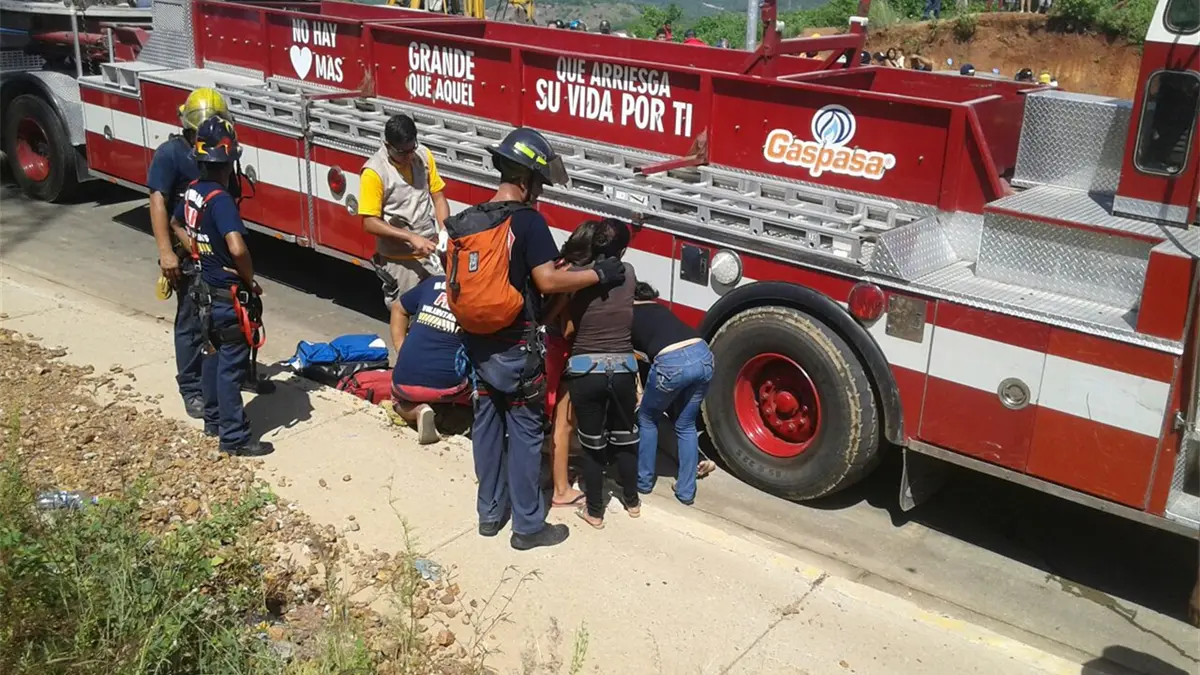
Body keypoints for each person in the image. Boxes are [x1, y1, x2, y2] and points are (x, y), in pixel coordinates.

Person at [443, 127, 626, 550]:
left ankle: (490, 515)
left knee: (487, 429)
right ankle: (527, 527)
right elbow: (546, 280)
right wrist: (599, 274)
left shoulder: (470, 219)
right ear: (526, 180)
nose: (540, 192)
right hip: (515, 348)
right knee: (526, 434)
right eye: (539, 183)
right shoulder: (527, 221)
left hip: (478, 344)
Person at [148, 88, 273, 417]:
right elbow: (159, 203)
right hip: (191, 257)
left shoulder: (218, 153)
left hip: (219, 258)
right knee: (193, 324)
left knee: (229, 324)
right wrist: (167, 252)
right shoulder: (171, 155)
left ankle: (234, 377)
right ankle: (192, 389)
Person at [172, 116, 272, 457]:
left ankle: (213, 420)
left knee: (212, 355)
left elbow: (176, 223)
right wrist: (248, 279)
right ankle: (234, 437)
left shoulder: (192, 192)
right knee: (230, 365)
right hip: (227, 296)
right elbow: (238, 248)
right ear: (229, 162)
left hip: (204, 290)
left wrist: (199, 252)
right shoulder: (221, 200)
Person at [562, 219, 639, 529]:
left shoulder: (576, 275)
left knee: (593, 446)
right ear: (623, 250)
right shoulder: (629, 272)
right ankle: (632, 501)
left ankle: (595, 511)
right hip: (623, 367)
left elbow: (566, 320)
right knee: (625, 438)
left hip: (586, 369)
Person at [359, 113, 450, 355]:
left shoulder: (423, 156)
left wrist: (443, 231)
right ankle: (406, 363)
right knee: (406, 318)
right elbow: (369, 222)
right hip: (399, 263)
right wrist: (410, 237)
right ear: (388, 145)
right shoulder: (374, 172)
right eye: (402, 152)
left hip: (430, 257)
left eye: (412, 148)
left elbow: (439, 197)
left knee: (436, 318)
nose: (409, 156)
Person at [632, 282, 714, 505]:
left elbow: (630, 358)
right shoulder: (660, 309)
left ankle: (643, 481)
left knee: (647, 418)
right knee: (686, 425)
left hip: (671, 362)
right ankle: (686, 491)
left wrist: (639, 392)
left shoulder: (627, 314)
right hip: (703, 354)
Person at [542, 222, 600, 509]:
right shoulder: (573, 277)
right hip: (559, 351)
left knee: (547, 417)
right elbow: (566, 328)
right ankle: (561, 489)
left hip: (544, 347)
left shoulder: (558, 265)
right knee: (563, 423)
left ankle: (551, 471)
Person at [390, 272, 469, 445]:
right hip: (449, 387)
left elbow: (398, 308)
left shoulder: (434, 282)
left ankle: (418, 411)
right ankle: (451, 410)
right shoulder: (481, 294)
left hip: (405, 382)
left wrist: (401, 349)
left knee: (396, 402)